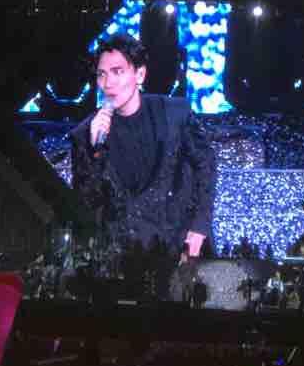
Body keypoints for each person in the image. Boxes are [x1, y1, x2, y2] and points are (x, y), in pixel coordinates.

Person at [69, 34, 217, 268]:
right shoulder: (85, 134)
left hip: (181, 247)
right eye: (101, 74)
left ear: (139, 74)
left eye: (117, 72)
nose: (108, 83)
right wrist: (93, 149)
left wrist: (200, 225)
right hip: (123, 258)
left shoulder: (175, 114)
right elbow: (86, 203)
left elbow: (206, 166)